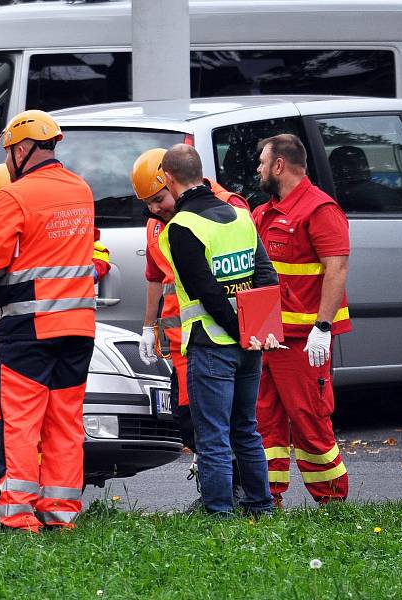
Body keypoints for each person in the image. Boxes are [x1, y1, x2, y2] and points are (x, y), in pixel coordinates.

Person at [0, 109, 96, 532]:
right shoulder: (81, 191)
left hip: (27, 329)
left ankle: (19, 515)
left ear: (22, 149)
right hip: (77, 328)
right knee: (65, 422)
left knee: (19, 424)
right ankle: (61, 513)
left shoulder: (14, 196)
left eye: (8, 152)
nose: (7, 161)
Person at [159, 143, 280, 516]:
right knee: (246, 428)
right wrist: (254, 329)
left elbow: (205, 291)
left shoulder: (182, 226)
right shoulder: (241, 216)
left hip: (211, 344)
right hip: (251, 344)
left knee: (212, 436)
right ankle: (261, 506)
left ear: (168, 178)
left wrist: (237, 328)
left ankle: (218, 513)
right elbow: (265, 275)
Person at [133, 149, 249, 506]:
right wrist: (148, 326)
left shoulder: (225, 207)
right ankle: (222, 489)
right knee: (189, 421)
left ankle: (235, 492)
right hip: (183, 341)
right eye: (148, 203)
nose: (155, 208)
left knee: (228, 421)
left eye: (158, 199)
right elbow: (155, 277)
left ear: (171, 180)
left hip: (222, 334)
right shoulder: (158, 224)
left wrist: (245, 329)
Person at [253, 134, 351, 506]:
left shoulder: (319, 209)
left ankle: (332, 503)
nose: (259, 169)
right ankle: (266, 499)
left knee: (309, 421)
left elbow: (337, 269)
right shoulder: (264, 212)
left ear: (279, 166)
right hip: (268, 338)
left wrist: (322, 328)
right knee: (266, 423)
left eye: (263, 162)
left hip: (303, 341)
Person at [0, 163, 110, 362]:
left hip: (33, 336)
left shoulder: (44, 227)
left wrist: (85, 275)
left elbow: (99, 253)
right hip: (2, 345)